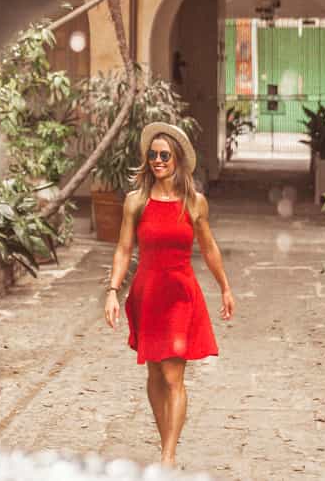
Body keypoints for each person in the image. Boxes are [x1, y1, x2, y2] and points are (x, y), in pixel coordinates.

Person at [103, 122, 235, 467]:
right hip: (147, 294)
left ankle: (167, 457)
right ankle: (166, 443)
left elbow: (209, 248)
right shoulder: (136, 201)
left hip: (179, 294)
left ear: (178, 160)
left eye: (165, 155)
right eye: (153, 155)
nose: (158, 161)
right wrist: (113, 290)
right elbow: (123, 249)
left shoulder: (194, 203)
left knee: (173, 375)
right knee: (154, 374)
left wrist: (225, 287)